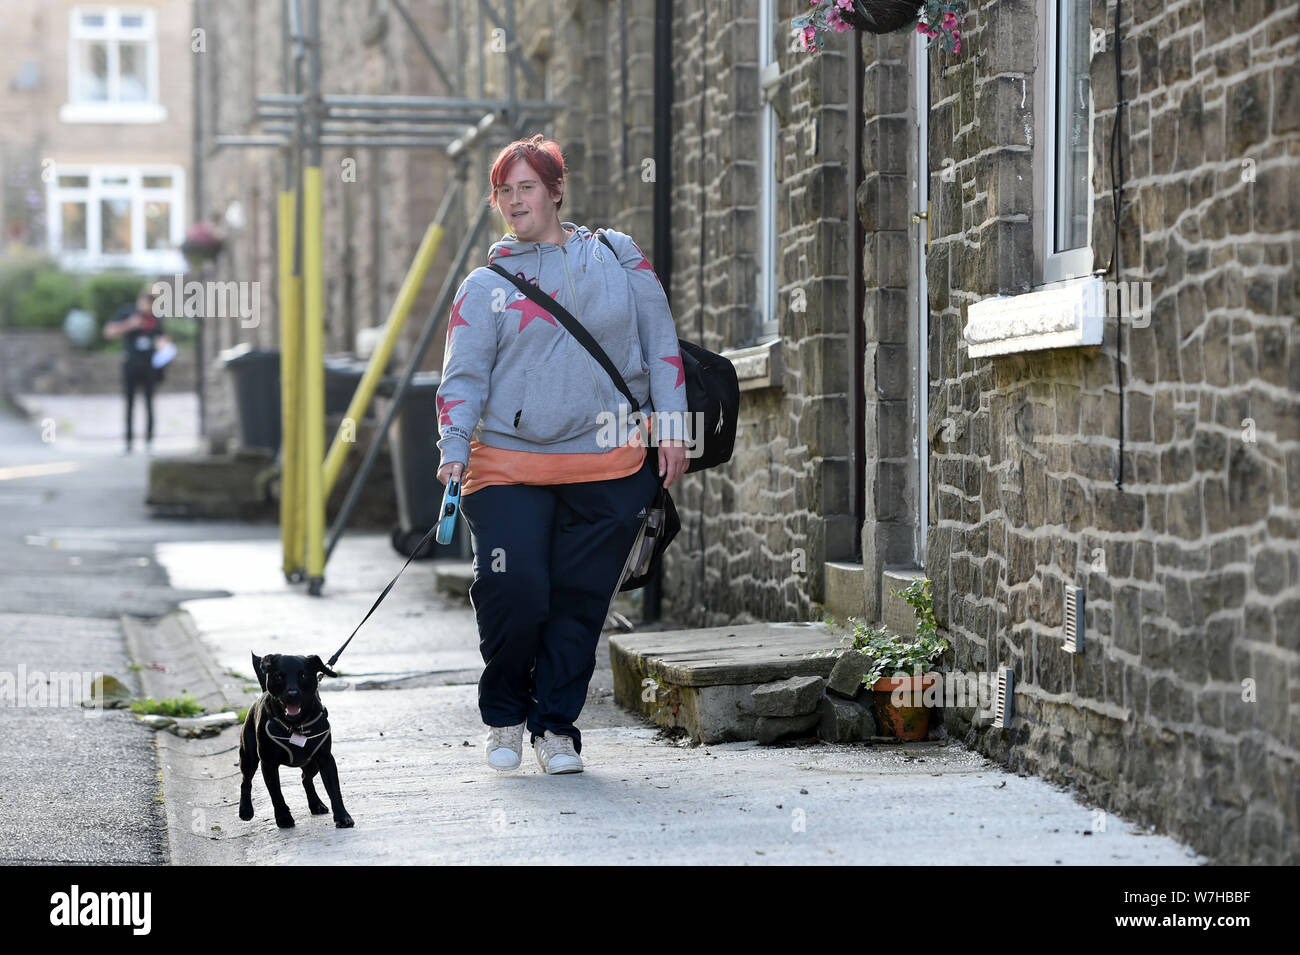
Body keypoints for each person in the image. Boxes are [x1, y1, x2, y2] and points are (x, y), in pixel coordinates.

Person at [435, 134, 690, 775]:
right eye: (504, 191)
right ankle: (504, 715)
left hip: (609, 463)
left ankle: (555, 727)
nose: (515, 200)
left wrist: (674, 428)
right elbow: (461, 378)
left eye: (527, 187)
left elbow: (661, 340)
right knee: (513, 588)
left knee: (579, 601)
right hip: (506, 466)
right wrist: (453, 449)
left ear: (555, 190)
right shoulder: (483, 285)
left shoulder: (617, 255)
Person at [103, 287, 171, 455]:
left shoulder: (156, 318)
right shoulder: (128, 312)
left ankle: (149, 441)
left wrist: (164, 345)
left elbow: (162, 338)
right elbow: (109, 332)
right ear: (141, 300)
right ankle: (128, 442)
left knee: (149, 403)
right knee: (130, 404)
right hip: (131, 365)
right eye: (148, 301)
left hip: (149, 366)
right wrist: (129, 325)